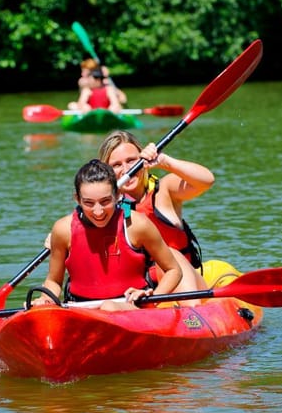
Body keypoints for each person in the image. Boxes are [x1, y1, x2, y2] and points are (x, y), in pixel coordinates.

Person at [31, 159, 182, 311]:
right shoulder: (63, 229)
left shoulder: (137, 225)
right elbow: (54, 281)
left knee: (109, 307)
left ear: (117, 195)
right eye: (89, 203)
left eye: (105, 201)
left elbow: (174, 270)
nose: (98, 211)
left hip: (132, 307)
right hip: (81, 310)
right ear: (77, 199)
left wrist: (152, 298)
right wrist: (46, 299)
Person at [98, 130, 214, 293]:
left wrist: (164, 161)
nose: (126, 170)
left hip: (182, 283)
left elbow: (207, 180)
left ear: (142, 160)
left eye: (131, 161)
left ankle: (191, 314)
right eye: (116, 165)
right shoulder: (103, 208)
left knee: (169, 255)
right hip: (139, 288)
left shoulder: (164, 191)